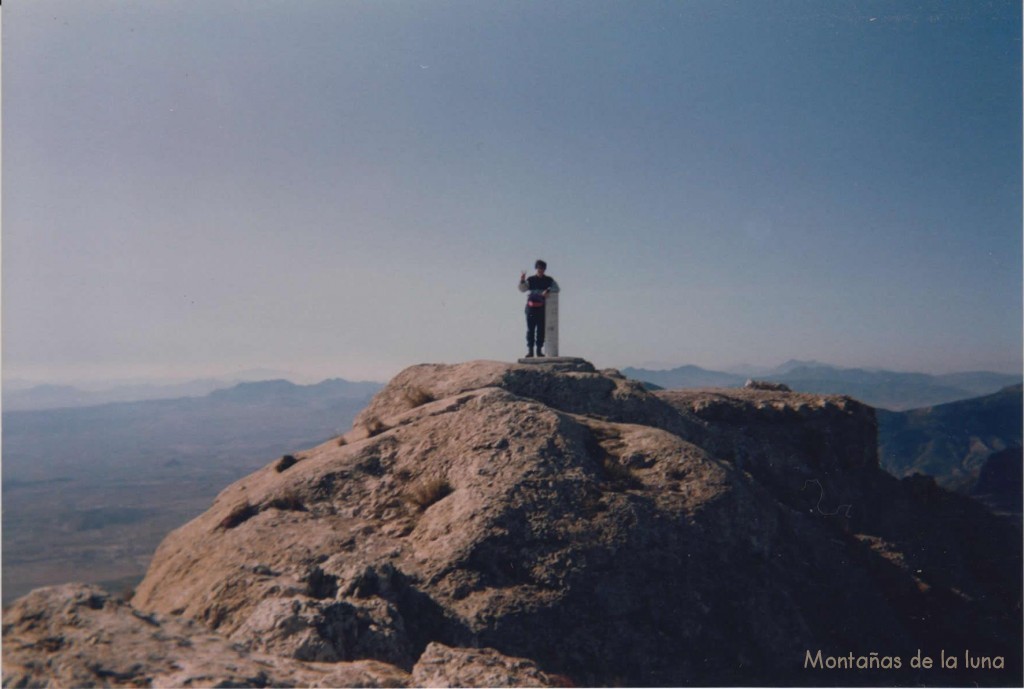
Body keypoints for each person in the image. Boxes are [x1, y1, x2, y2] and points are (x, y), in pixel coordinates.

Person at [518, 259, 559, 358]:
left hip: (542, 308)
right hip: (531, 308)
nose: (541, 270)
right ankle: (530, 351)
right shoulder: (531, 279)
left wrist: (548, 290)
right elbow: (522, 289)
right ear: (536, 268)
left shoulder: (549, 280)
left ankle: (539, 350)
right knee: (530, 329)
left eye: (542, 268)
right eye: (539, 268)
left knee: (541, 330)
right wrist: (522, 280)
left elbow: (557, 288)